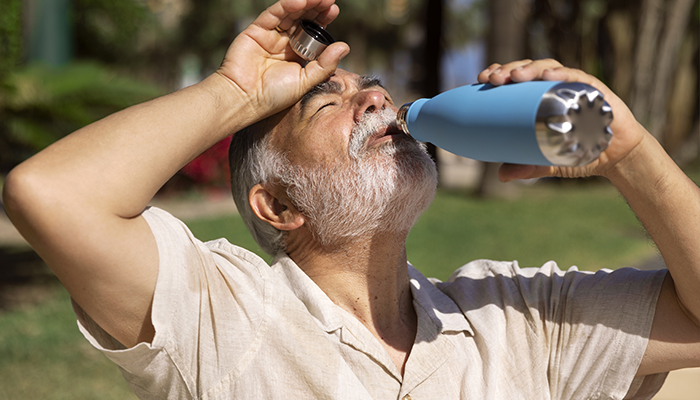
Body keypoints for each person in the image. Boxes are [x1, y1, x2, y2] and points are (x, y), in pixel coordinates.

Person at [3, 0, 699, 398]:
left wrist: (629, 154)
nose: (377, 99)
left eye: (372, 89)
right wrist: (235, 93)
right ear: (279, 207)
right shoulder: (222, 317)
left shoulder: (519, 320)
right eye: (326, 103)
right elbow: (51, 195)